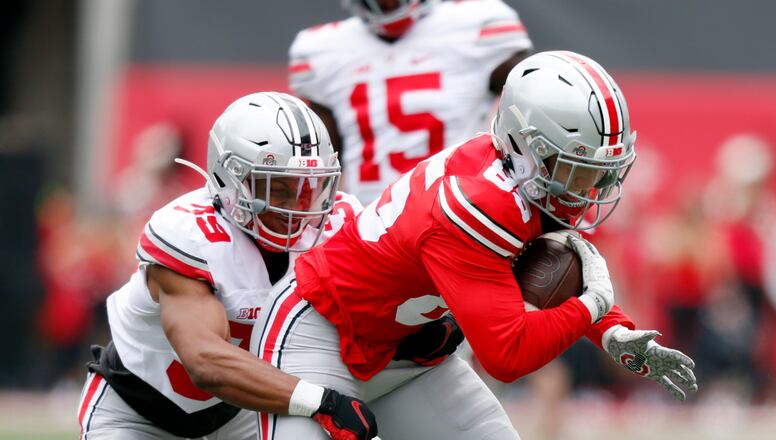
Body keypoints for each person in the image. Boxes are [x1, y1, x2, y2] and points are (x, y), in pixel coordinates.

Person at [251, 51, 699, 439]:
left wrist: (614, 332)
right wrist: (594, 306)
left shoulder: (517, 176)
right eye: (578, 170)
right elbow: (508, 354)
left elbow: (556, 274)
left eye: (602, 173)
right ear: (528, 147)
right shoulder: (478, 205)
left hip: (406, 352)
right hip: (322, 335)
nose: (592, 189)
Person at [77, 92, 459, 440]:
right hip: (140, 412)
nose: (296, 206)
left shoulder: (337, 222)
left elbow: (363, 315)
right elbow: (206, 362)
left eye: (309, 186)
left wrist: (410, 333)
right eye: (276, 187)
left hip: (242, 411)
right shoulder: (188, 233)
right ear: (228, 179)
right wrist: (321, 401)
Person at [289, 0, 533, 205]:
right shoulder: (322, 50)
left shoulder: (476, 24)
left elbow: (530, 106)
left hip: (458, 208)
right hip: (370, 219)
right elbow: (323, 160)